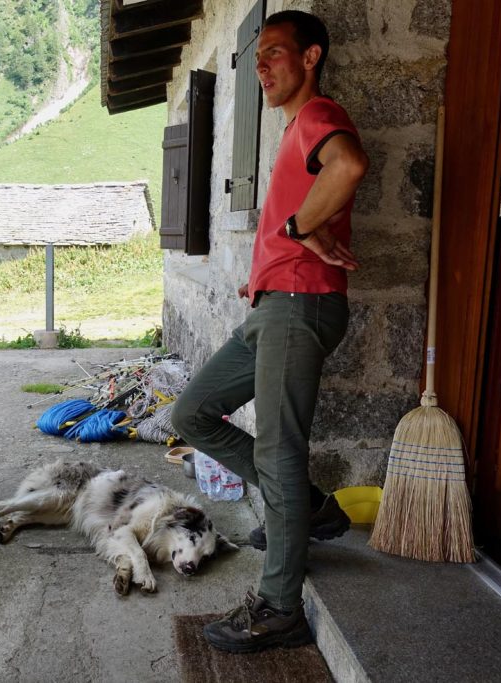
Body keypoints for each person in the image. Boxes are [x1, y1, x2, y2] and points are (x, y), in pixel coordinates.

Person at [170, 10, 369, 653]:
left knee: (279, 451)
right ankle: (307, 507)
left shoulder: (318, 116)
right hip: (272, 306)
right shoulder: (290, 131)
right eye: (258, 56)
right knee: (194, 411)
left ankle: (279, 607)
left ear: (311, 57)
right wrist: (265, 270)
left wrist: (298, 231)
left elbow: (348, 167)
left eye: (276, 53)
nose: (262, 66)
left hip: (300, 306)